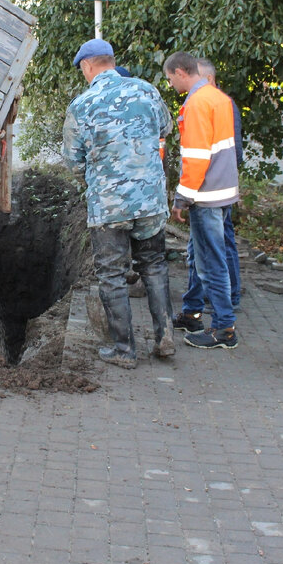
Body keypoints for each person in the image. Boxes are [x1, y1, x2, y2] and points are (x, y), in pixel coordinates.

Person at [63, 38, 174, 368]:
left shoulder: (82, 106)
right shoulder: (146, 90)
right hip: (150, 201)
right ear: (112, 60)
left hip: (109, 206)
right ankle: (164, 334)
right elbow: (166, 128)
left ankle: (124, 350)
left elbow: (72, 161)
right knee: (153, 265)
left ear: (87, 66)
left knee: (111, 275)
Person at [163, 51, 240, 349]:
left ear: (181, 72)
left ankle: (224, 329)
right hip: (221, 192)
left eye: (170, 78)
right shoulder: (219, 98)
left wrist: (182, 199)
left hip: (205, 196)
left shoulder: (196, 103)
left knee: (211, 263)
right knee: (205, 257)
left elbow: (195, 157)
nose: (170, 84)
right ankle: (198, 316)